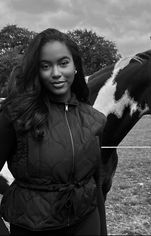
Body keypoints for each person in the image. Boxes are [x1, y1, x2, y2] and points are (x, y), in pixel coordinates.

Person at [0, 28, 107, 235]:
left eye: (63, 63)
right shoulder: (15, 115)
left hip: (86, 222)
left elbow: (96, 183)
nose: (56, 73)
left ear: (76, 66)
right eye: (46, 66)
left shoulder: (93, 119)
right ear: (36, 71)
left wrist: (103, 230)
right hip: (33, 226)